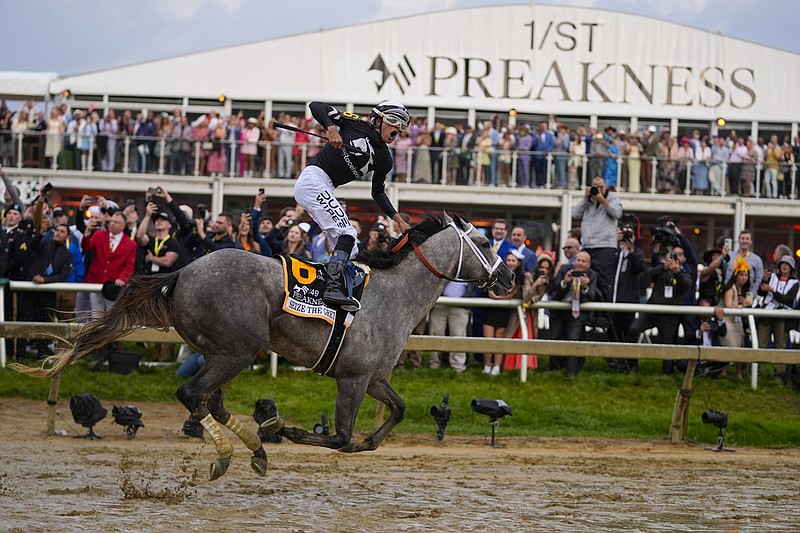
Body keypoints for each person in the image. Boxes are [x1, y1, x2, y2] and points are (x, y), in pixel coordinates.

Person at [293, 100, 411, 311]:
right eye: (393, 122)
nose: (398, 129)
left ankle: (321, 290)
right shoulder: (358, 124)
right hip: (314, 179)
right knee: (348, 233)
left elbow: (377, 193)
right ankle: (332, 288)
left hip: (324, 186)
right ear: (377, 120)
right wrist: (331, 129)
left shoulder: (385, 159)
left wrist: (399, 220)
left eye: (401, 126)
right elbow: (315, 106)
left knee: (352, 247)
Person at [628, 248, 692, 374]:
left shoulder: (685, 273)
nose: (675, 258)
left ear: (684, 259)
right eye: (673, 255)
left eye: (679, 255)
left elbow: (685, 286)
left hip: (669, 316)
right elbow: (649, 274)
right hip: (651, 312)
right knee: (633, 329)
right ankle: (632, 365)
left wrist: (677, 272)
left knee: (667, 346)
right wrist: (664, 267)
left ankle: (666, 373)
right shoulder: (662, 269)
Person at [547, 251, 599, 377]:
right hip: (560, 309)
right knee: (555, 337)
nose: (580, 263)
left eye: (583, 261)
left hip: (577, 312)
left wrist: (585, 286)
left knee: (573, 339)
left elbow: (592, 295)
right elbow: (552, 287)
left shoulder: (592, 275)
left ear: (589, 264)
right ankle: (553, 369)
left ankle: (571, 372)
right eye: (578, 260)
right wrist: (564, 282)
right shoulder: (565, 269)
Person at [571, 176, 622, 301]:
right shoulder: (588, 201)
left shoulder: (613, 198)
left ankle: (604, 314)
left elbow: (617, 214)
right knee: (586, 278)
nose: (597, 189)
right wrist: (585, 199)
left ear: (606, 187)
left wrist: (603, 201)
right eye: (595, 186)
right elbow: (575, 214)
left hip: (605, 247)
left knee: (603, 281)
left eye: (600, 187)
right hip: (588, 247)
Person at [82, 210, 137, 315]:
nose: (112, 223)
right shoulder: (99, 234)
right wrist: (88, 231)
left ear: (123, 226)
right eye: (111, 221)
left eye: (116, 222)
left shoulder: (131, 244)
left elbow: (129, 266)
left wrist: (122, 278)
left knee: (112, 315)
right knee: (95, 315)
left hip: (113, 286)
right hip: (96, 280)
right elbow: (87, 246)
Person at [481, 250, 524, 375]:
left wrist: (502, 296)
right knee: (487, 339)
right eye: (508, 260)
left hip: (505, 312)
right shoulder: (496, 273)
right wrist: (505, 296)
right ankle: (487, 365)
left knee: (500, 338)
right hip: (491, 310)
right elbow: (491, 293)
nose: (510, 263)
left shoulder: (520, 278)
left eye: (513, 260)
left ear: (518, 263)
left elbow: (514, 293)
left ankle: (497, 366)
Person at [720, 256, 754, 379]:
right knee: (728, 347)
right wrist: (741, 306)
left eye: (746, 275)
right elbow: (728, 306)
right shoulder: (730, 289)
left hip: (738, 322)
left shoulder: (745, 290)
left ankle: (738, 373)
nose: (744, 278)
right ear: (736, 275)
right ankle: (723, 372)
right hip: (729, 321)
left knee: (741, 345)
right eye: (741, 275)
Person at [426, 281, 471, 372]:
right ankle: (434, 364)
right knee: (435, 334)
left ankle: (458, 366)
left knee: (458, 336)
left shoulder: (470, 270)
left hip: (460, 306)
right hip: (439, 304)